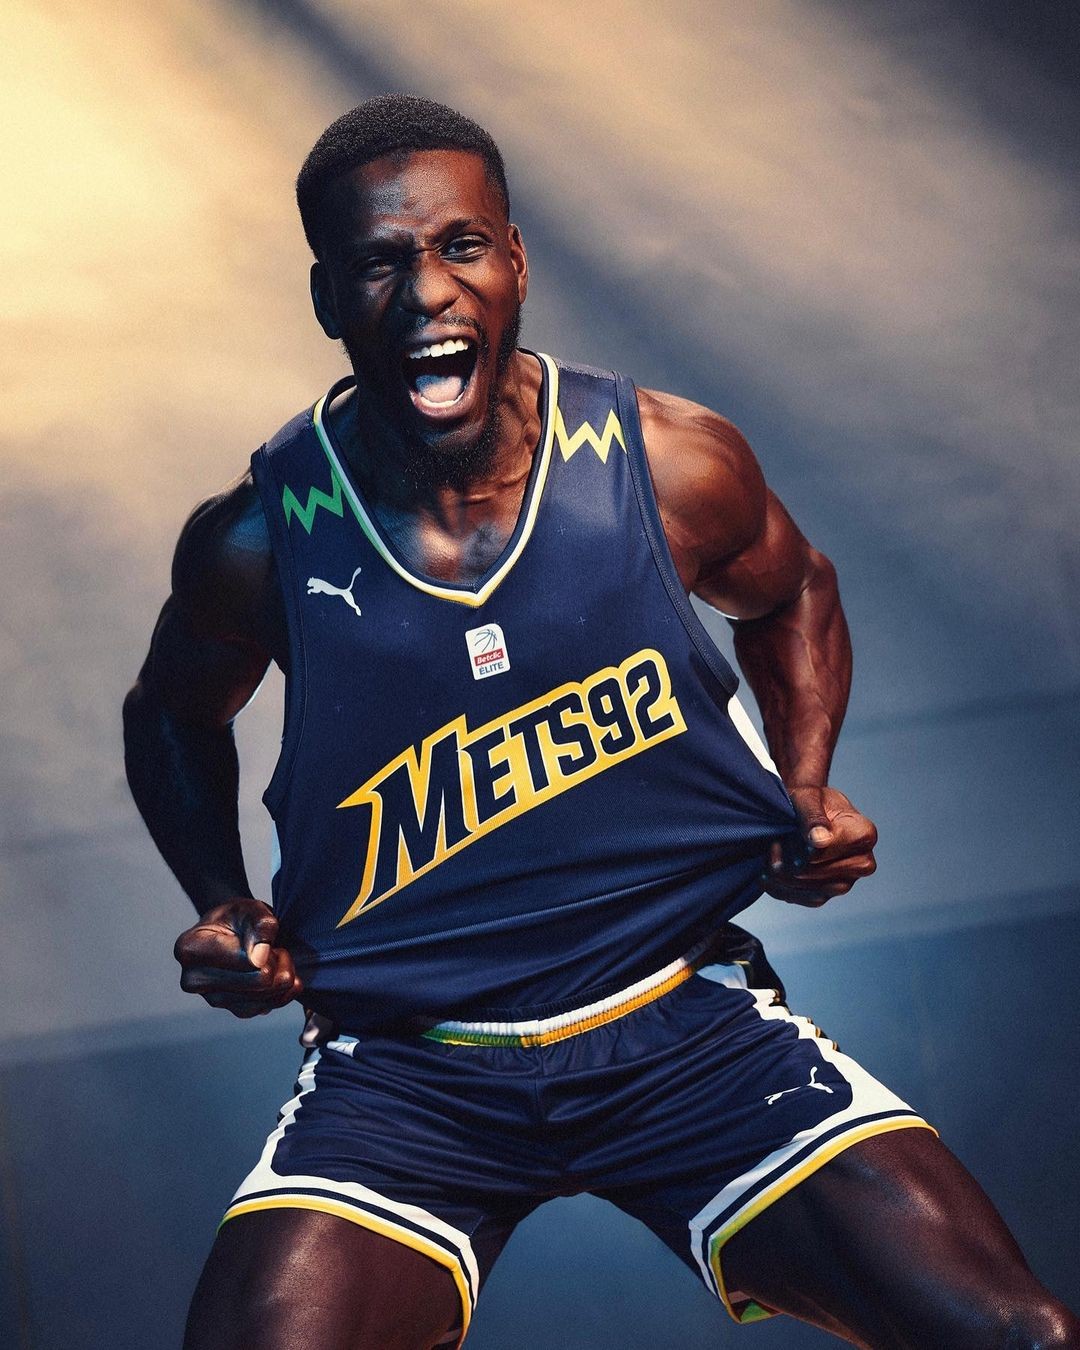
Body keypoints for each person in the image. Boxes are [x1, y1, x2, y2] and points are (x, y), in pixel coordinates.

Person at [123, 95, 1078, 1350]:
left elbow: (792, 590)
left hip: (682, 1024)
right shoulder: (262, 540)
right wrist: (222, 897)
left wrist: (803, 784)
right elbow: (169, 714)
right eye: (380, 262)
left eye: (461, 246)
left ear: (515, 261)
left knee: (1019, 1339)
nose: (428, 292)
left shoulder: (665, 461)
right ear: (327, 298)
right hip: (407, 1072)